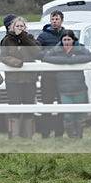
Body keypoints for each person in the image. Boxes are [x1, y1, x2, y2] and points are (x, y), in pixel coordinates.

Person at [43, 30, 91, 138]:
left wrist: (74, 60)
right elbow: (46, 58)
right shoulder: (56, 50)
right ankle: (71, 136)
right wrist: (65, 60)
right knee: (67, 115)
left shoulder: (80, 48)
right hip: (63, 87)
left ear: (73, 40)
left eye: (69, 39)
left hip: (78, 86)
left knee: (79, 114)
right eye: (64, 40)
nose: (66, 42)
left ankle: (79, 136)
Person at [0, 16, 40, 139]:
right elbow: (3, 57)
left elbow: (37, 52)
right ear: (12, 27)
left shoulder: (31, 39)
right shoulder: (6, 40)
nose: (19, 28)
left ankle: (28, 136)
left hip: (30, 79)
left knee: (29, 106)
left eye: (22, 26)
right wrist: (16, 62)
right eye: (17, 26)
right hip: (13, 80)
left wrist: (24, 38)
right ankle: (15, 135)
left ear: (25, 28)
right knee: (15, 107)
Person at [36, 10, 68, 138]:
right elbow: (37, 52)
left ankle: (59, 133)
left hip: (62, 76)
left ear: (62, 20)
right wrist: (50, 55)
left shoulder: (66, 35)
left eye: (57, 19)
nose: (54, 21)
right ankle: (45, 133)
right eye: (52, 19)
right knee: (47, 104)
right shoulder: (43, 36)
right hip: (48, 75)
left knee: (62, 104)